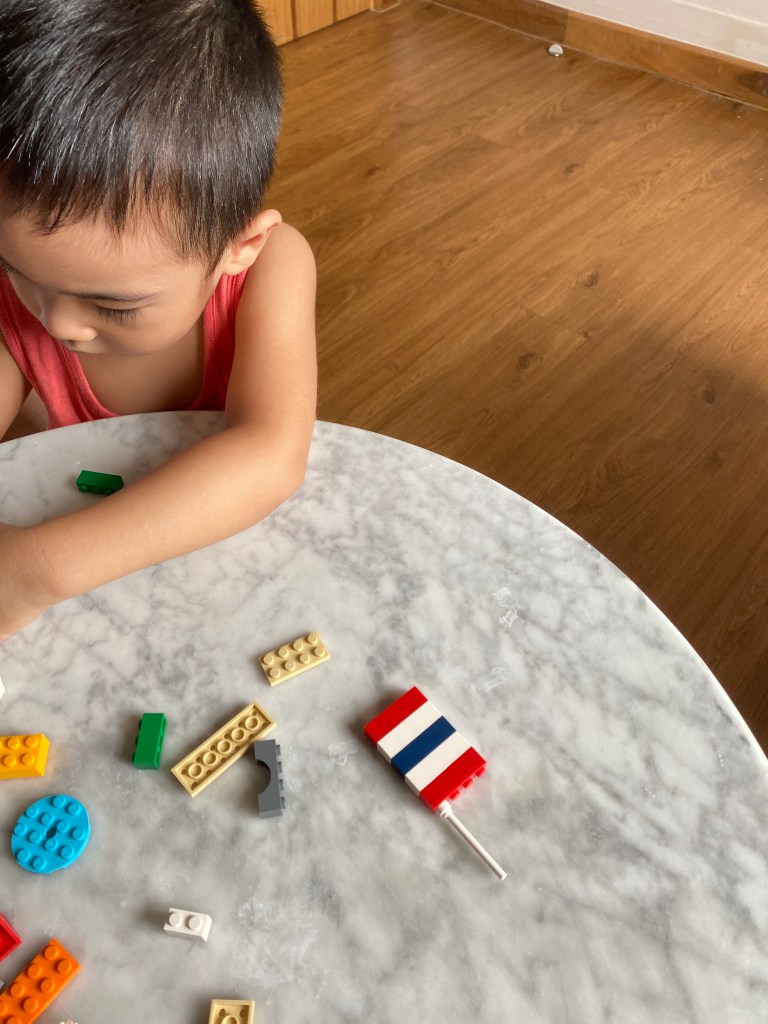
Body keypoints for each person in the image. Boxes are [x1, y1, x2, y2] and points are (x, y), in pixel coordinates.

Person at [0, 0, 317, 640]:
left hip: (237, 566)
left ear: (238, 247)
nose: (57, 322)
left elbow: (271, 455)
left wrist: (35, 568)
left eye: (113, 305)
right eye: (14, 268)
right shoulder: (28, 295)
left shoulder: (272, 267)